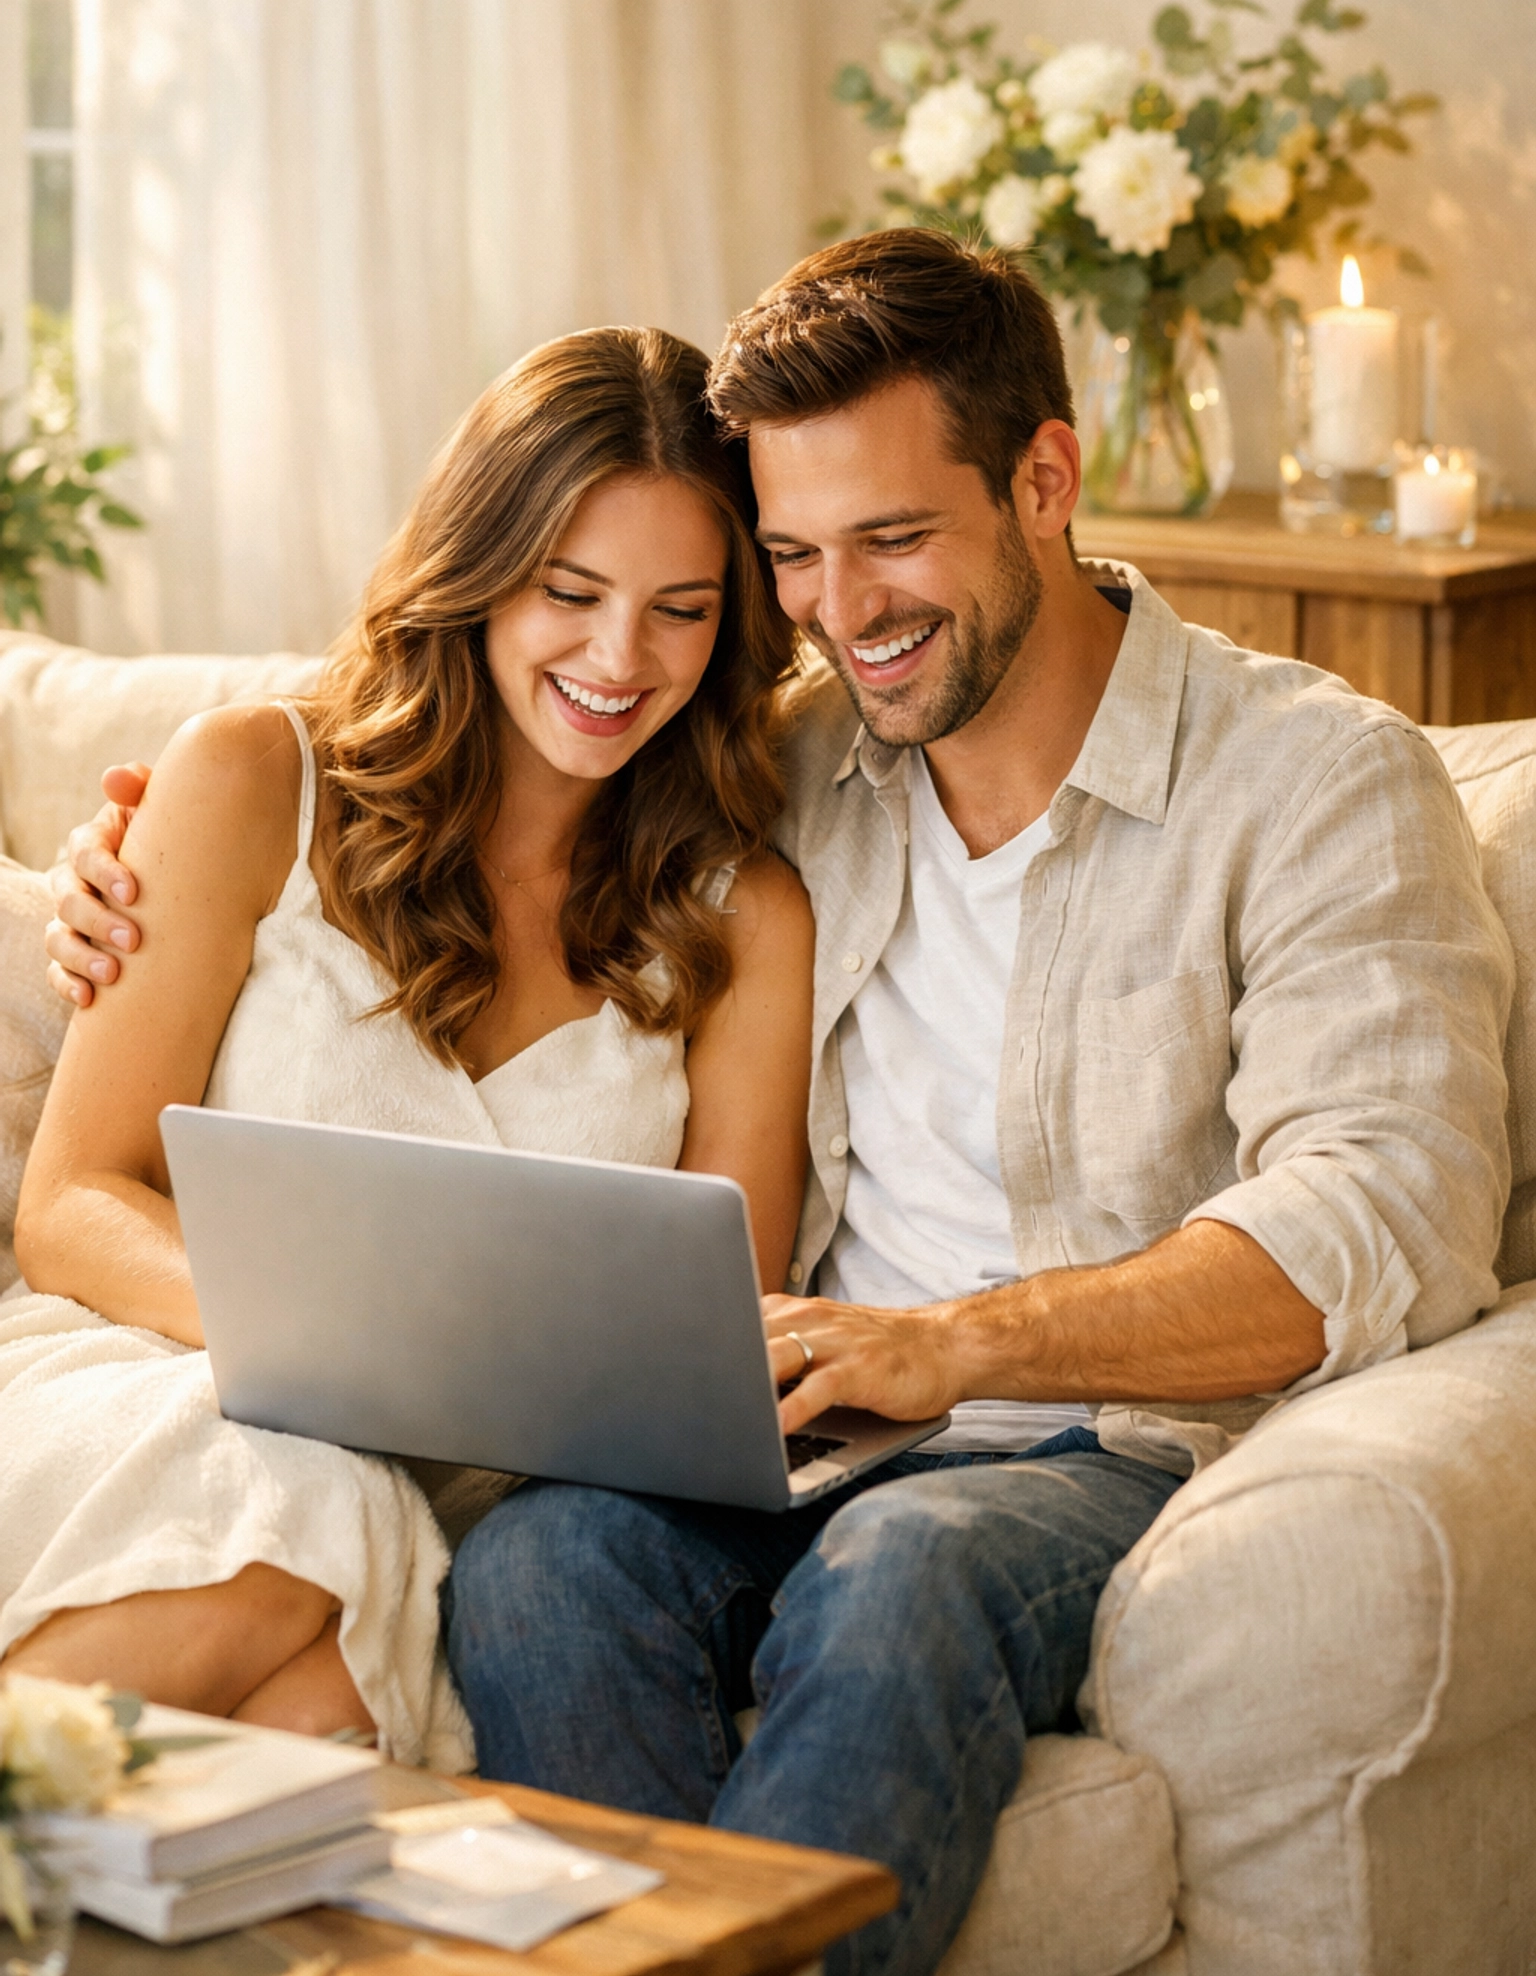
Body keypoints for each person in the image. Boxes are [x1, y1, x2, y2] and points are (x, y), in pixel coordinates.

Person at [46, 235, 1515, 1975]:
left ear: (1046, 479)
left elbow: (1386, 1213)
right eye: (799, 558)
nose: (846, 609)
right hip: (787, 1413)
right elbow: (485, 712)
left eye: (896, 539)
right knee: (542, 1567)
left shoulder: (1318, 781)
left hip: (1080, 1440)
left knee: (901, 1577)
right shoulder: (798, 756)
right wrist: (102, 858)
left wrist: (962, 1346)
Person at [4, 325, 813, 1771]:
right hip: (173, 1394)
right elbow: (68, 1203)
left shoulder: (743, 915)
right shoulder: (254, 777)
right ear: (479, 569)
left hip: (466, 1507)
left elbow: (709, 1323)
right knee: (314, 1533)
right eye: (570, 591)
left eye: (681, 610)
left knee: (326, 1699)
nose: (620, 659)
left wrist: (408, 1404)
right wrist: (335, 1360)